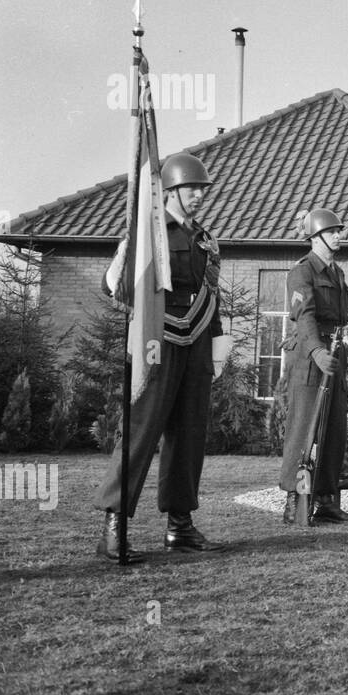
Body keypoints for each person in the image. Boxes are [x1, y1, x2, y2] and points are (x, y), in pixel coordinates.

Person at [94, 152, 231, 561]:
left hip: (198, 342)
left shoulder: (205, 239)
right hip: (158, 340)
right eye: (191, 188)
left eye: (202, 189)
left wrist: (217, 345)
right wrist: (127, 249)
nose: (198, 196)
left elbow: (212, 295)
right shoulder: (148, 235)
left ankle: (180, 527)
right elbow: (113, 287)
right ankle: (114, 526)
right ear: (169, 189)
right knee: (140, 432)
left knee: (189, 437)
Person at [279, 208, 348, 525]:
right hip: (313, 358)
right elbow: (305, 316)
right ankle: (294, 501)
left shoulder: (337, 273)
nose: (339, 235)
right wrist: (315, 350)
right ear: (315, 236)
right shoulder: (302, 272)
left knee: (334, 431)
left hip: (337, 355)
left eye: (339, 230)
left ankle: (326, 501)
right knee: (303, 431)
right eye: (332, 231)